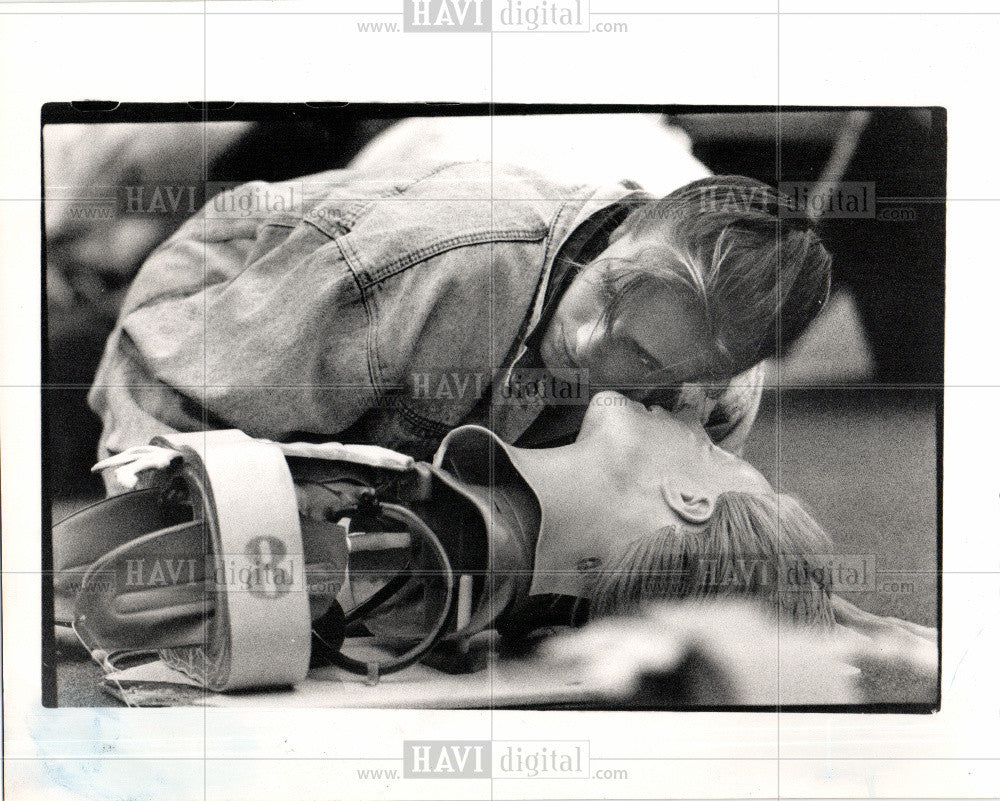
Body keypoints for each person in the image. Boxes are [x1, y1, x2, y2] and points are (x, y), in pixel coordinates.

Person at [88, 161, 832, 487]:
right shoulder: (423, 265)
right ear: (628, 229)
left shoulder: (720, 392)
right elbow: (169, 374)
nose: (585, 343)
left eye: (639, 355)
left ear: (703, 376)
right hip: (221, 316)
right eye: (604, 292)